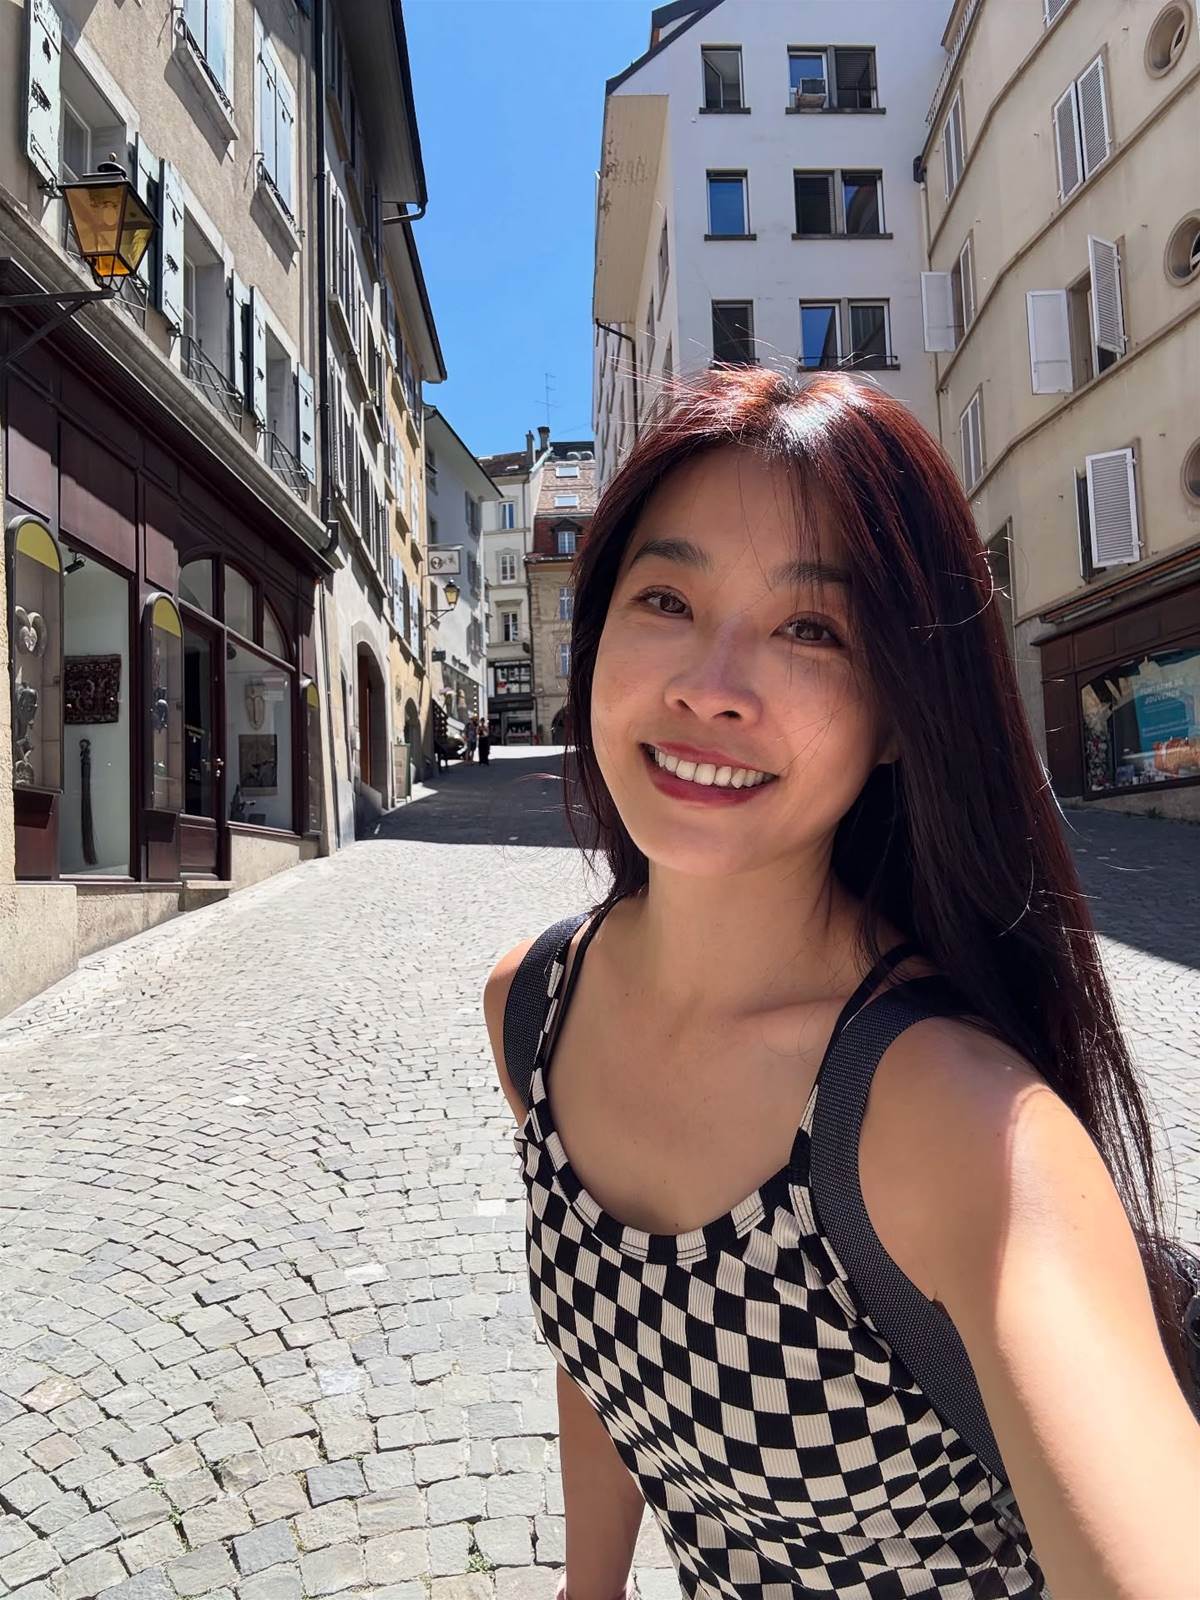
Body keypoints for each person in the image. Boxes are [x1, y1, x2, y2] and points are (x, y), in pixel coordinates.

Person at [483, 368, 1200, 1600]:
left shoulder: (952, 1119)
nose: (711, 684)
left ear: (898, 716)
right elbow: (605, 1350)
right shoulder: (536, 1008)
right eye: (667, 598)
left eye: (811, 630)